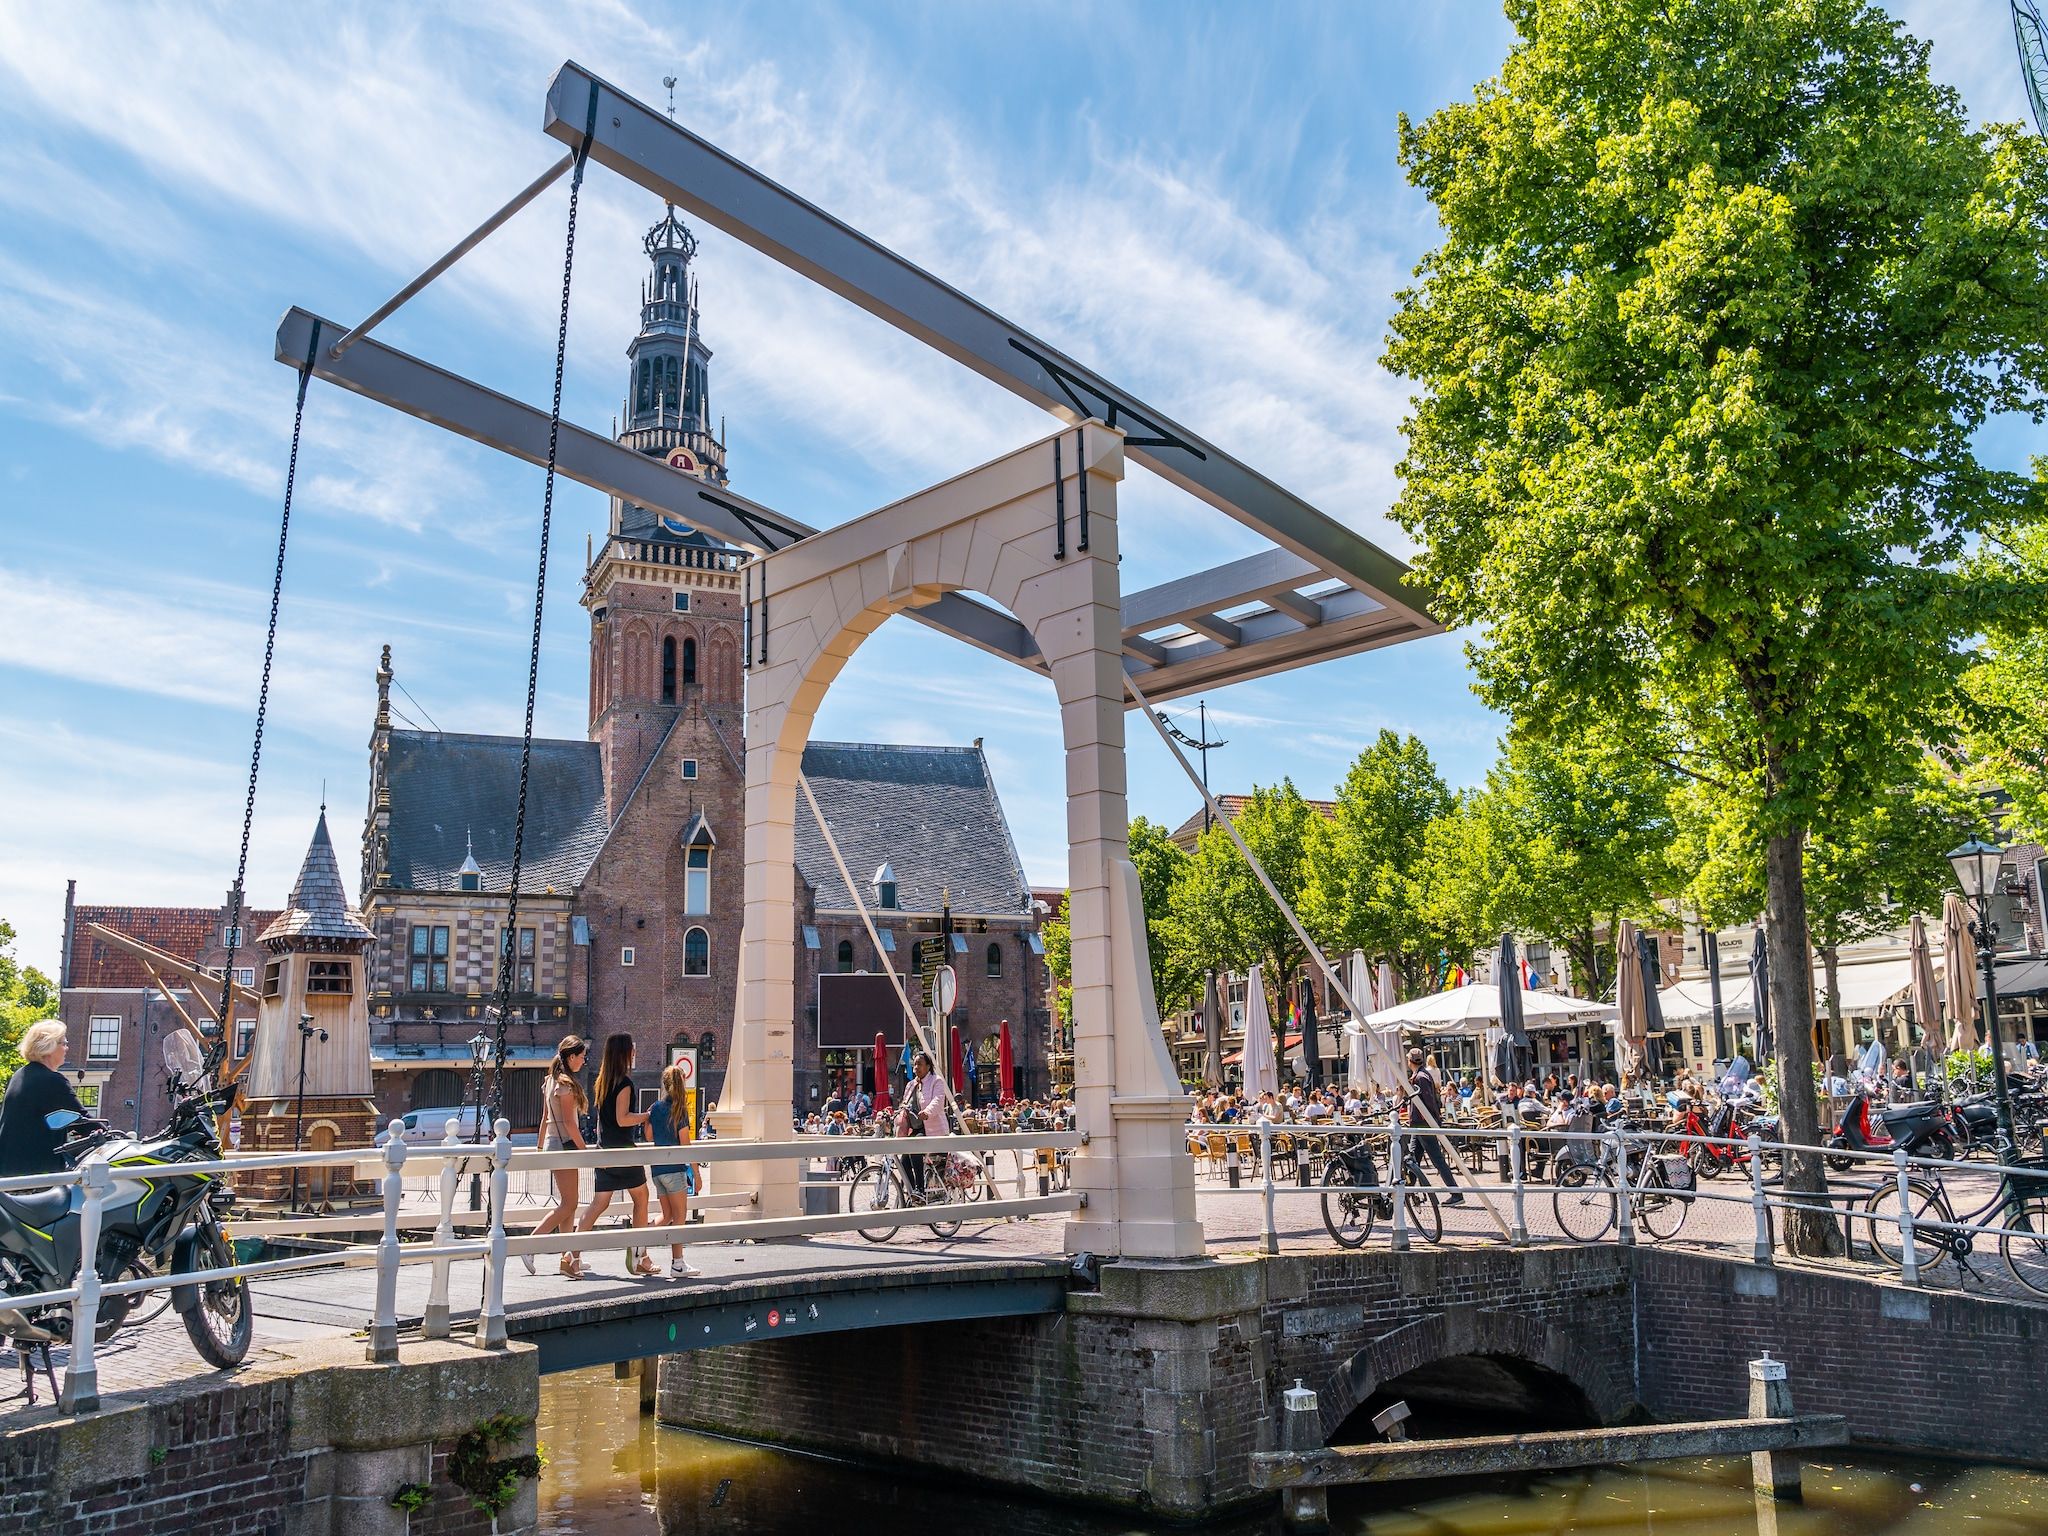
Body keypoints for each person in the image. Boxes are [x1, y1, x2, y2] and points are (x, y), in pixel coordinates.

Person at [574, 1033, 659, 1277]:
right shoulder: (624, 1083)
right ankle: (639, 1256)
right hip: (623, 1151)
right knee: (641, 1199)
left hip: (605, 1150)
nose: (634, 1053)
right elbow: (623, 1119)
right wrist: (646, 1115)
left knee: (599, 1204)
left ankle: (571, 1254)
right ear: (624, 1053)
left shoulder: (603, 1081)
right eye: (631, 1049)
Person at [531, 1035, 590, 1278]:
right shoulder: (564, 1085)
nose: (584, 1060)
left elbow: (545, 1118)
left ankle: (567, 1258)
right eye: (582, 1056)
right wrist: (585, 1150)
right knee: (569, 1203)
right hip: (564, 1146)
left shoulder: (550, 1081)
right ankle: (530, 1244)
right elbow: (568, 1123)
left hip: (552, 1144)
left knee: (569, 1203)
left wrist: (539, 1147)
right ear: (571, 1057)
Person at [0, 1021, 86, 1178]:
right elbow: (83, 1120)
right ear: (49, 1046)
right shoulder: (52, 1081)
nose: (67, 1048)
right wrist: (115, 1138)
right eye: (64, 1043)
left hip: (8, 1171)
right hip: (34, 1178)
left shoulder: (20, 1075)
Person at [648, 1062, 699, 1279]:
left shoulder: (655, 1108)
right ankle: (678, 1264)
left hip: (657, 1170)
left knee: (666, 1214)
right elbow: (685, 1144)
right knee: (679, 1217)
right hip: (675, 1170)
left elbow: (649, 1136)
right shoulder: (680, 1110)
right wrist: (696, 1174)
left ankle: (639, 1243)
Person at [1403, 1048, 1464, 1206]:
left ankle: (1456, 1193)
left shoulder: (1420, 1078)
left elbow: (1428, 1102)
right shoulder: (1423, 1075)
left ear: (1410, 1061)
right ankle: (1406, 1192)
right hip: (1420, 1124)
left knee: (1437, 1159)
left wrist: (1432, 1120)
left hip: (1423, 1124)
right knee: (1413, 1159)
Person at [900, 1051, 948, 1196]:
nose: (916, 1067)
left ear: (928, 1066)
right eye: (914, 1064)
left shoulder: (936, 1081)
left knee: (915, 1148)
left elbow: (938, 1101)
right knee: (903, 1161)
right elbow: (905, 1103)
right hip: (915, 1128)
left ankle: (920, 1189)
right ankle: (913, 1191)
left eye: (919, 1064)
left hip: (932, 1129)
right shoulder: (911, 1085)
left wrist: (927, 1112)